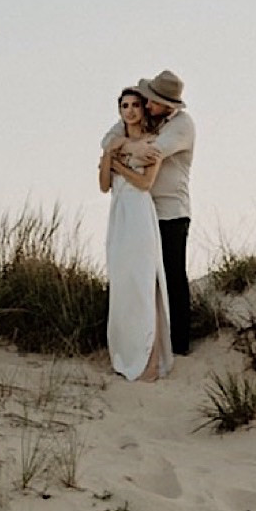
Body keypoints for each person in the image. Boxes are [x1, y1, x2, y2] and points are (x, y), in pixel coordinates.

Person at [114, 68, 195, 358]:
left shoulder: (182, 127)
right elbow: (108, 140)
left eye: (151, 101)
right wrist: (124, 145)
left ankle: (180, 343)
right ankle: (151, 339)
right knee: (145, 277)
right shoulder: (153, 121)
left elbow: (151, 154)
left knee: (173, 276)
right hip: (146, 212)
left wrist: (121, 152)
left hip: (172, 211)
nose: (145, 105)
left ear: (168, 104)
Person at [99, 87, 170, 381]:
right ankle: (127, 356)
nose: (130, 110)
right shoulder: (114, 143)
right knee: (123, 286)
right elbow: (104, 185)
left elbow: (145, 183)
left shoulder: (153, 143)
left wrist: (117, 165)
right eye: (124, 106)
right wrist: (109, 158)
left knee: (145, 285)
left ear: (143, 110)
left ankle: (151, 363)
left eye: (135, 105)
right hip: (119, 216)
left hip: (140, 214)